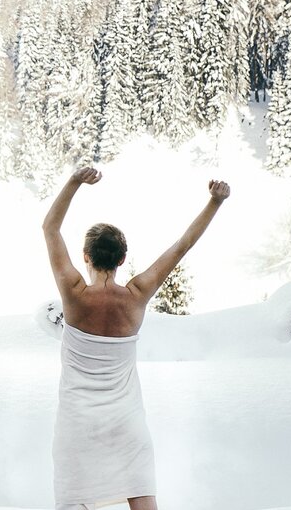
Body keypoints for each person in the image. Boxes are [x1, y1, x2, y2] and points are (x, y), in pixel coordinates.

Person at [41, 167, 230, 510]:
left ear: (86, 256)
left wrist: (73, 182)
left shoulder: (74, 293)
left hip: (77, 425)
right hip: (125, 425)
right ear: (123, 259)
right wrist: (215, 202)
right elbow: (183, 245)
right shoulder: (136, 295)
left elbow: (50, 228)